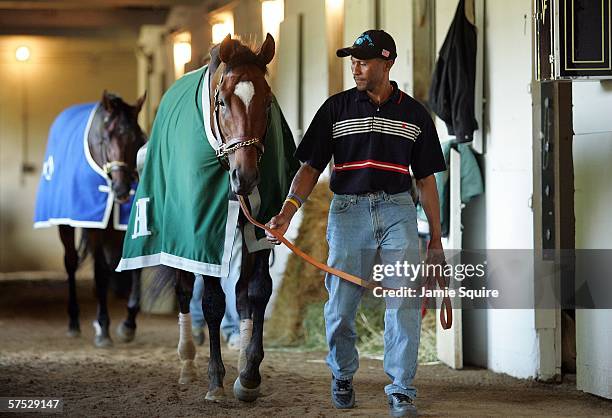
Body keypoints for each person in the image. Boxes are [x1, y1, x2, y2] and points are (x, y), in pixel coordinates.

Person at [265, 30, 446, 417]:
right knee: (341, 306)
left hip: (398, 209)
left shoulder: (415, 115)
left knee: (404, 302)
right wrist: (287, 211)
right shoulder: (336, 109)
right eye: (353, 61)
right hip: (348, 211)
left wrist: (435, 239)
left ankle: (401, 389)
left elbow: (427, 179)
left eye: (364, 61)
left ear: (388, 62)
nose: (356, 68)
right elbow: (311, 168)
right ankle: (343, 374)